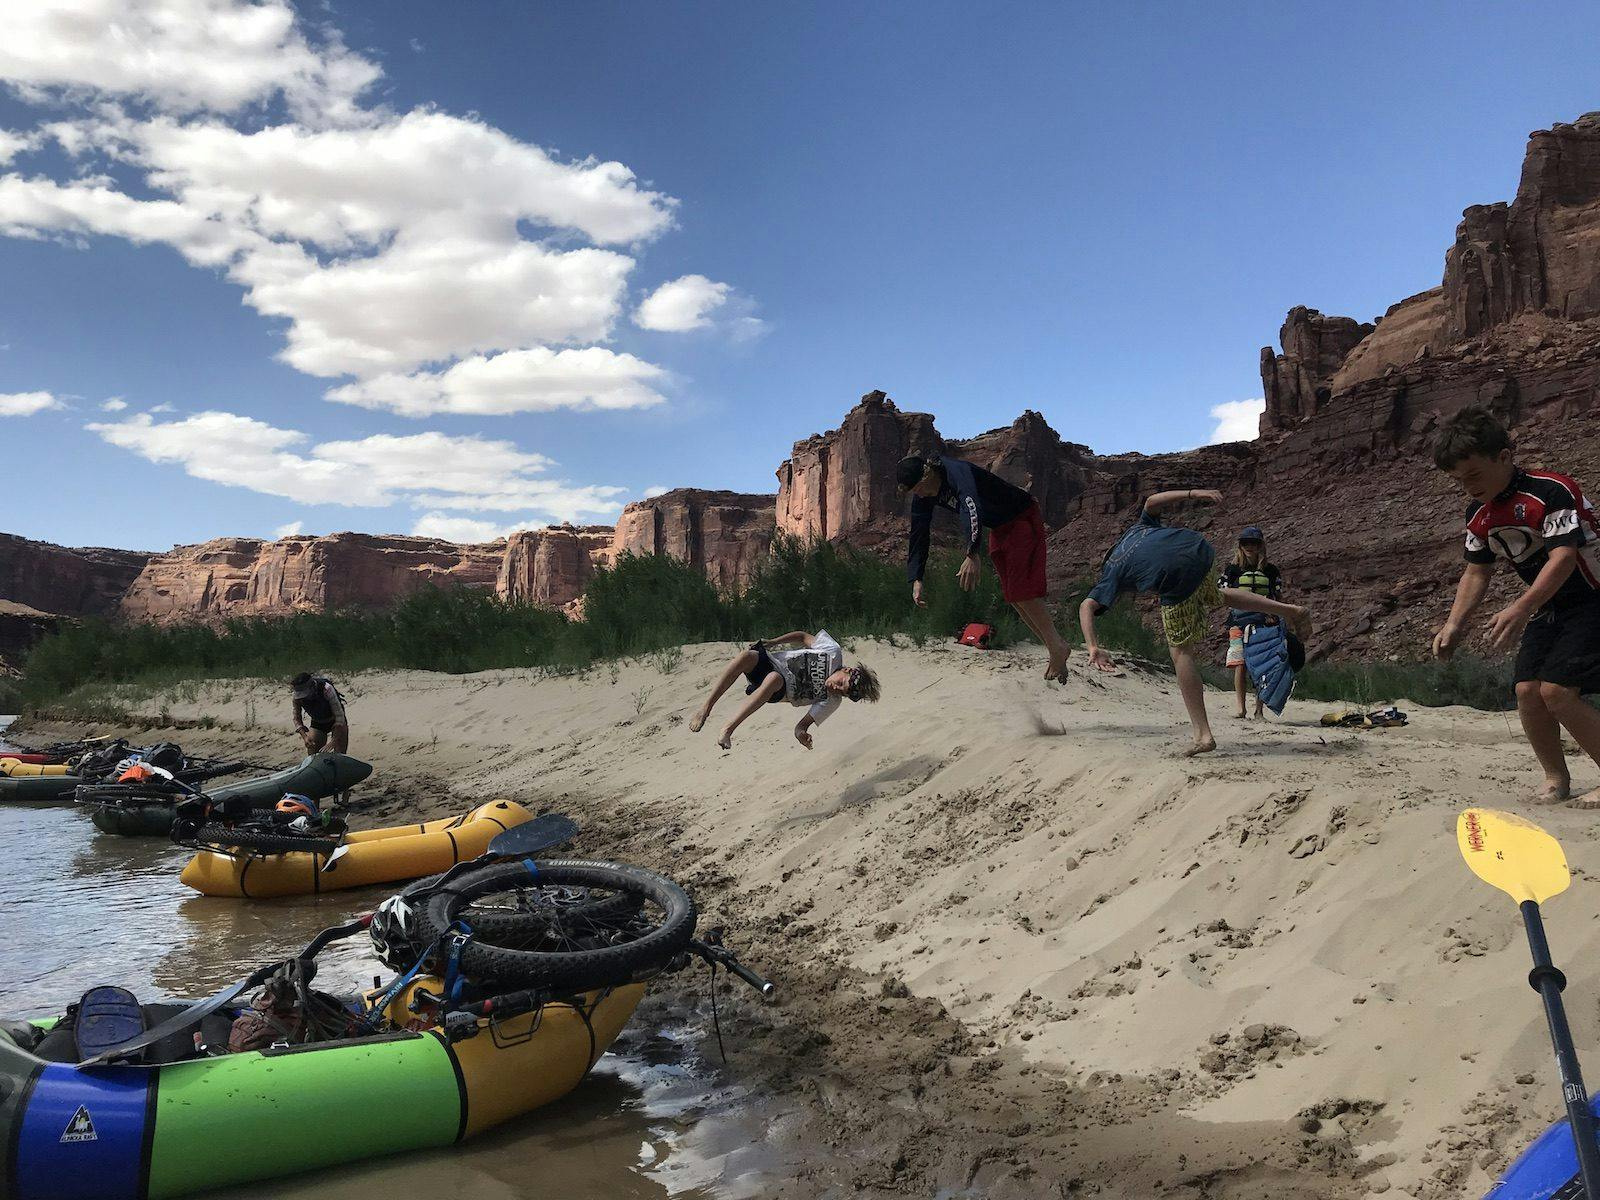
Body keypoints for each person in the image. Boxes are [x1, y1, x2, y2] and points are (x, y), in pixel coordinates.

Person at [1430, 406, 1600, 807]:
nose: (1468, 486)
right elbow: (1476, 573)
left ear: (1504, 457)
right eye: (1458, 480)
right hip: (1551, 606)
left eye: (1474, 475)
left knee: (1557, 690)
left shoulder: (1552, 491)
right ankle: (1555, 778)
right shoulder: (1478, 515)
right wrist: (1454, 625)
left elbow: (1563, 557)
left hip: (1591, 599)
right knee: (1527, 691)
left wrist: (1520, 608)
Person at [1078, 489, 1312, 756]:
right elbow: (1152, 501)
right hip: (1198, 550)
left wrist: (1092, 647)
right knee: (1218, 595)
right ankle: (1290, 610)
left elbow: (1086, 605)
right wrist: (1194, 493)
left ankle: (1203, 735)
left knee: (1180, 652)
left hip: (1175, 578)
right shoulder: (1136, 530)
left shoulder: (1112, 572)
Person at [897, 453, 1074, 681]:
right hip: (1000, 528)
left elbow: (971, 504)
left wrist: (972, 552)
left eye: (919, 488)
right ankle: (1055, 647)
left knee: (1023, 591)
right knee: (1013, 597)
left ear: (928, 474)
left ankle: (1057, 646)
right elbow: (918, 533)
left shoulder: (956, 472)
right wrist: (916, 578)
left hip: (1021, 517)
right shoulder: (923, 495)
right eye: (914, 492)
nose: (919, 495)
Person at [689, 630, 881, 750]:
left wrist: (801, 735)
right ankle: (706, 707)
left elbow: (802, 725)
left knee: (774, 678)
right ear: (847, 670)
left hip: (778, 689)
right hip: (771, 662)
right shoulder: (832, 651)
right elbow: (802, 636)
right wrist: (773, 643)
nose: (835, 688)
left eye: (842, 692)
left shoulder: (831, 701)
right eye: (841, 683)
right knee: (746, 656)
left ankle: (728, 729)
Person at [1220, 526, 1285, 719]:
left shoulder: (1271, 570)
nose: (1250, 546)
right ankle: (1241, 708)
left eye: (1254, 543)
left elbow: (1277, 595)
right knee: (1240, 663)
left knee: (1263, 665)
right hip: (1238, 621)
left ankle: (1259, 710)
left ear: (1260, 546)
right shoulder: (1232, 570)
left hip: (1265, 622)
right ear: (1240, 546)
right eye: (1245, 543)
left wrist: (1276, 614)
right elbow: (1222, 593)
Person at [290, 672, 349, 755]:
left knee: (339, 753)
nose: (304, 697)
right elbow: (296, 718)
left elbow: (339, 717)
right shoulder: (297, 696)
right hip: (318, 722)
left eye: (305, 694)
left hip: (336, 721)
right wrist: (305, 737)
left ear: (312, 687)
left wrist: (334, 740)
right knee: (312, 749)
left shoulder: (327, 689)